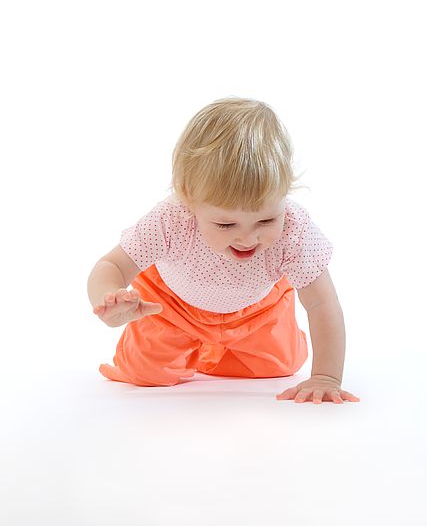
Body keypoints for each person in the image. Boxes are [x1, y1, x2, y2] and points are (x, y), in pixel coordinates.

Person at [87, 97, 359, 405]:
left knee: (281, 366)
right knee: (145, 374)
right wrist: (108, 300)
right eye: (226, 224)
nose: (248, 237)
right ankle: (194, 344)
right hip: (171, 308)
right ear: (189, 201)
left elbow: (323, 304)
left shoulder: (293, 230)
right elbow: (112, 265)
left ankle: (216, 348)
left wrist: (326, 377)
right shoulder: (171, 219)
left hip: (255, 309)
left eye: (266, 219)